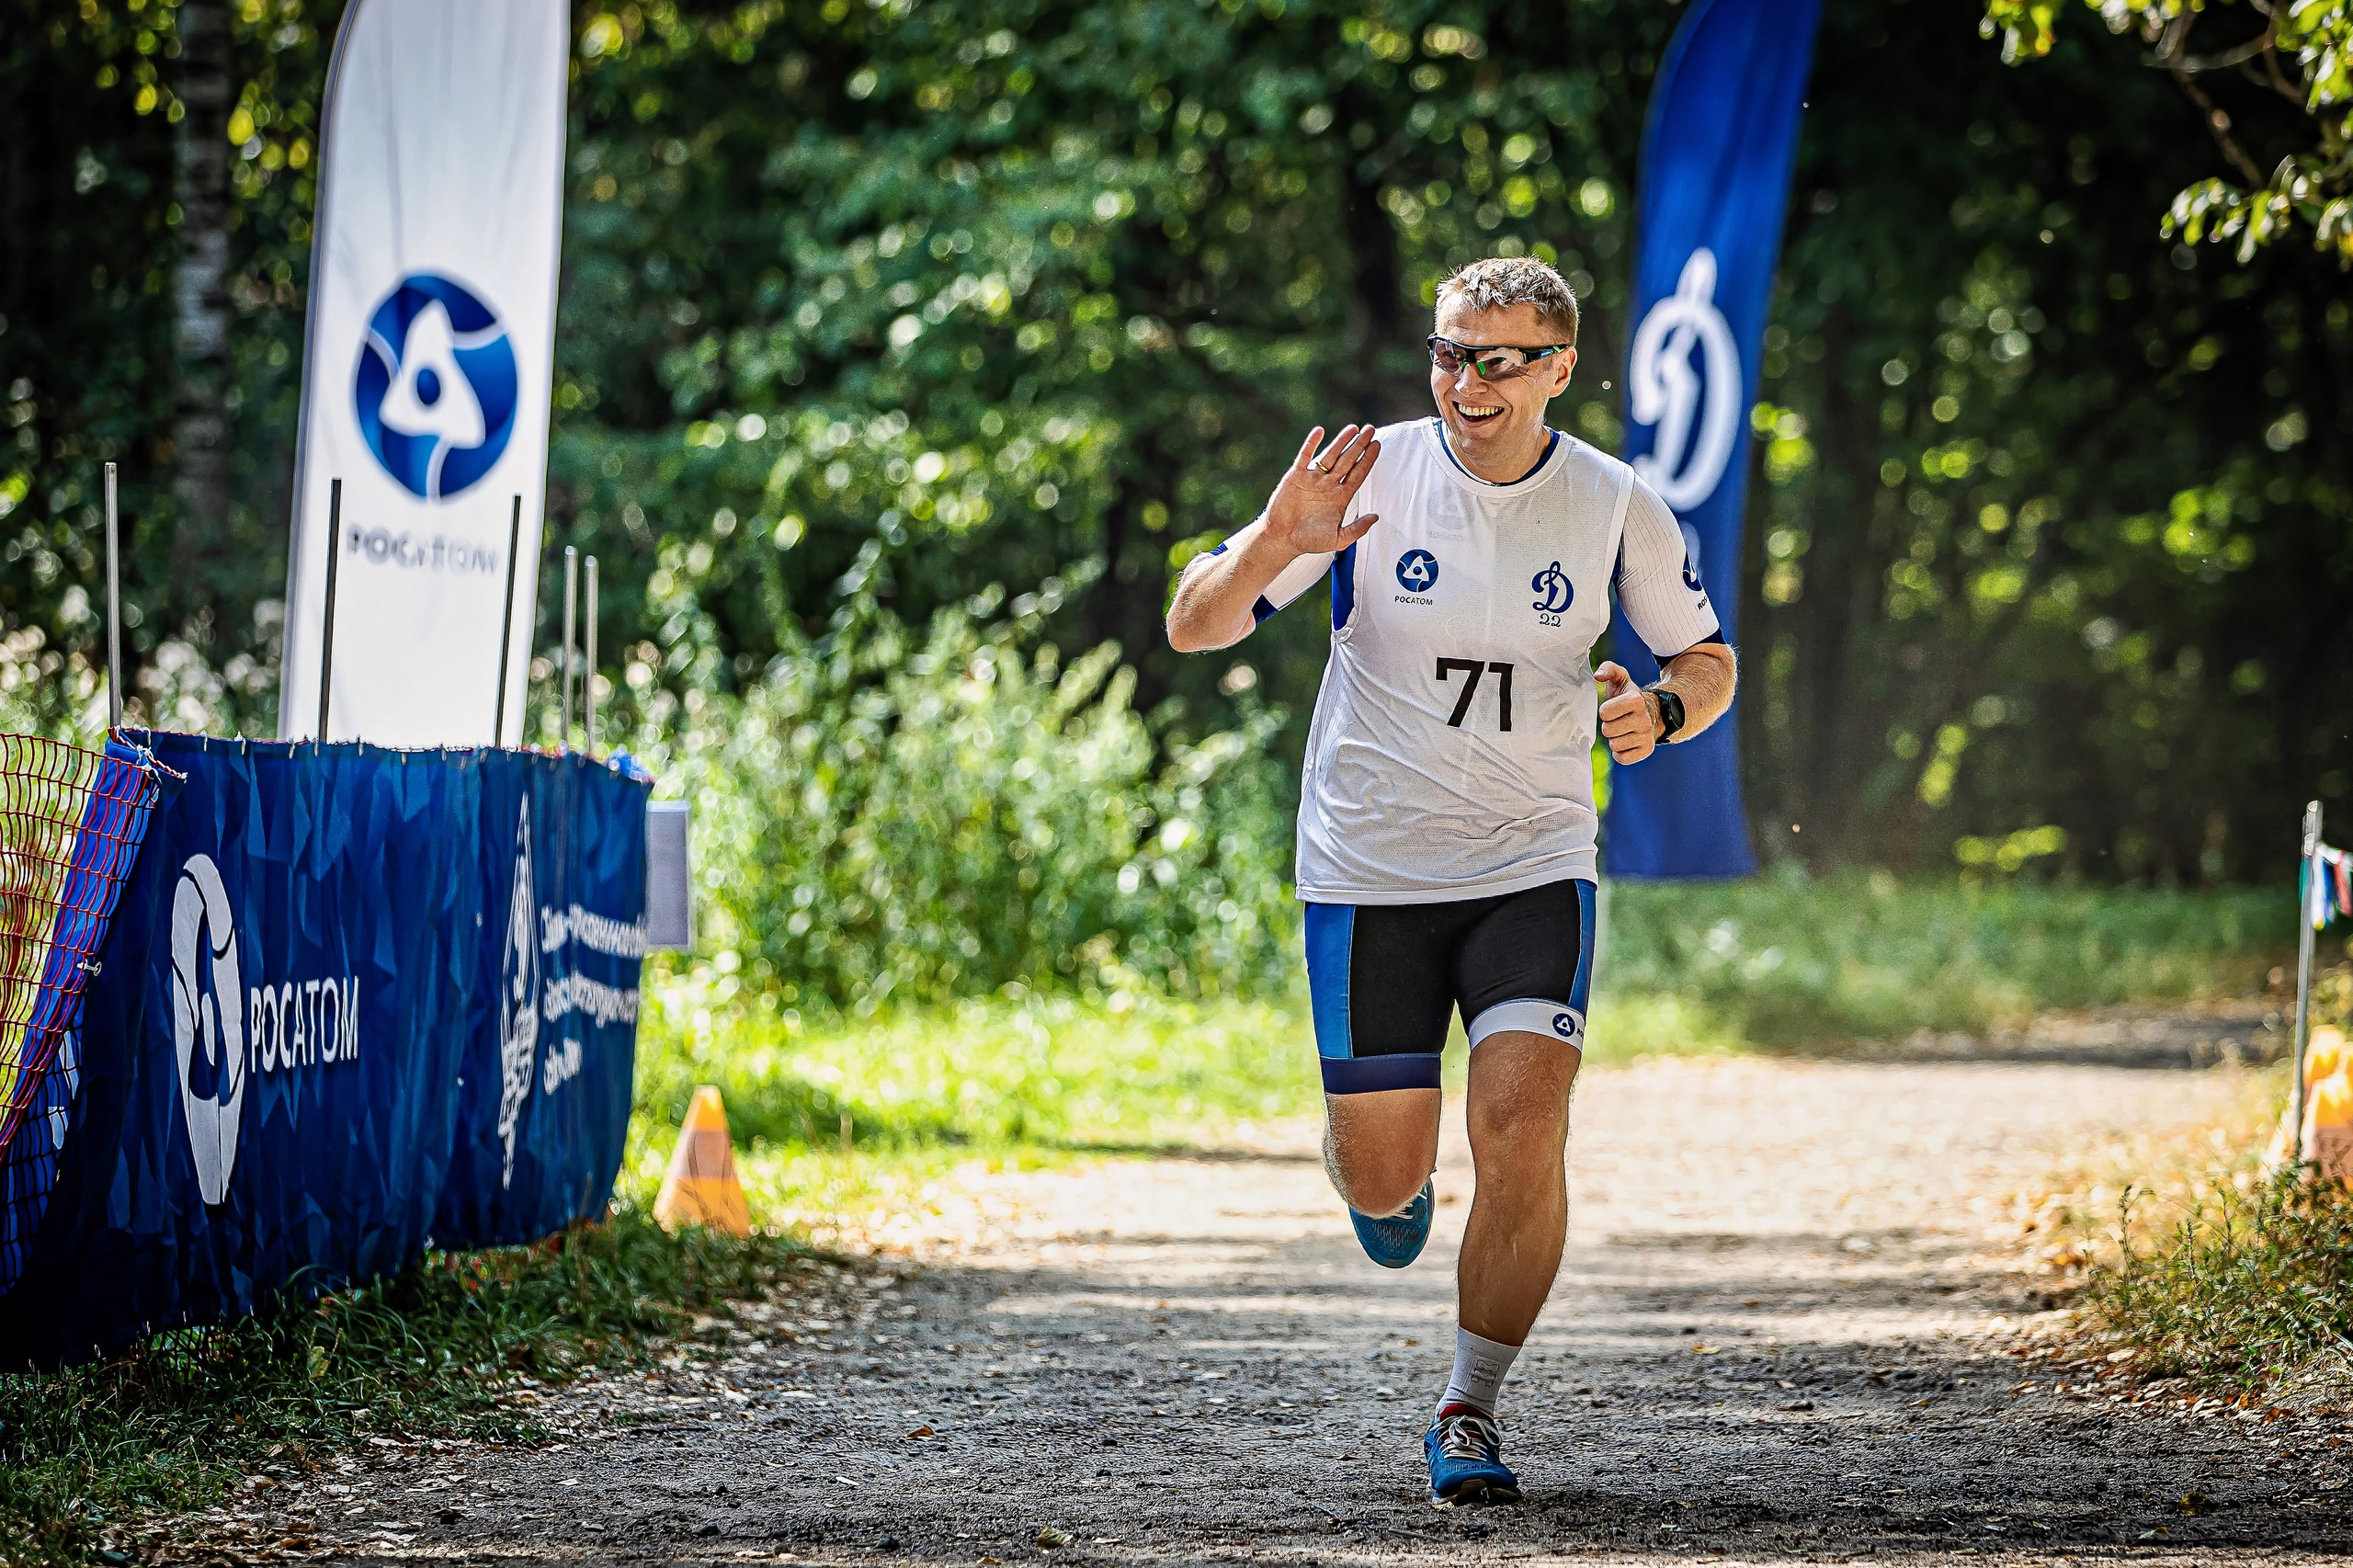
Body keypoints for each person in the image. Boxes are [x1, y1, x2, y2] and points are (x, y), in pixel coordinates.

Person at [1164, 256, 1737, 1504]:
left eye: (1497, 359)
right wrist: (1274, 537)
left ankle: (1469, 1406)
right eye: (1448, 353)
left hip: (1534, 862)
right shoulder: (1364, 477)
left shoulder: (1612, 502)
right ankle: (1377, 1167)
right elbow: (1192, 622)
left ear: (1558, 369)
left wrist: (1665, 711)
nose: (1465, 381)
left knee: (1523, 1127)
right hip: (1371, 866)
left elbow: (1706, 654)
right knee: (1387, 1177)